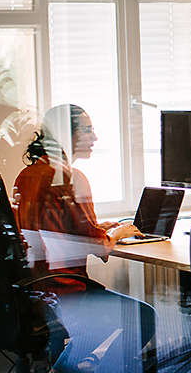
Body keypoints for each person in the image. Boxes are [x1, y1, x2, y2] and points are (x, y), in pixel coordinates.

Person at [13, 104, 140, 294]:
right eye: (87, 130)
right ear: (65, 134)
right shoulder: (70, 178)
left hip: (34, 291)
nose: (94, 137)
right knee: (145, 313)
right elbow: (98, 246)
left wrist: (99, 227)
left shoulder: (26, 175)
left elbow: (52, 229)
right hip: (66, 290)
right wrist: (119, 232)